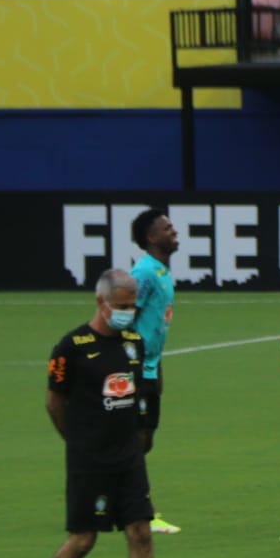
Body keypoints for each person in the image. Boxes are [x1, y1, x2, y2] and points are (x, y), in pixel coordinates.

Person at [24, 269, 174, 558]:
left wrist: (139, 435)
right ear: (101, 302)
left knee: (140, 532)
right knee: (83, 539)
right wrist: (77, 442)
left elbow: (138, 393)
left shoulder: (133, 342)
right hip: (89, 458)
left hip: (128, 457)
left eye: (132, 305)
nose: (127, 312)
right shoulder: (71, 347)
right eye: (121, 306)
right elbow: (53, 402)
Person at [128, 208, 182, 536]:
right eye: (167, 228)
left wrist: (157, 366)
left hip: (148, 367)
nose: (174, 231)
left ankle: (117, 494)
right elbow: (126, 316)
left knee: (144, 440)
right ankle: (142, 509)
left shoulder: (160, 271)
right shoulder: (145, 273)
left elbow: (155, 327)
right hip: (134, 368)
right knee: (136, 440)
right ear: (152, 238)